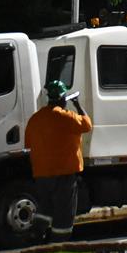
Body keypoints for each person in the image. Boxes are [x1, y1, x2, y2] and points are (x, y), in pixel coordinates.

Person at [24, 80, 93, 242]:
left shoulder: (35, 119)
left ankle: (36, 236)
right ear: (63, 98)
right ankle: (60, 241)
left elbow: (28, 144)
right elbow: (87, 125)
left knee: (44, 209)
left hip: (41, 174)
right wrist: (77, 104)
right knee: (64, 212)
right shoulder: (66, 117)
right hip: (64, 174)